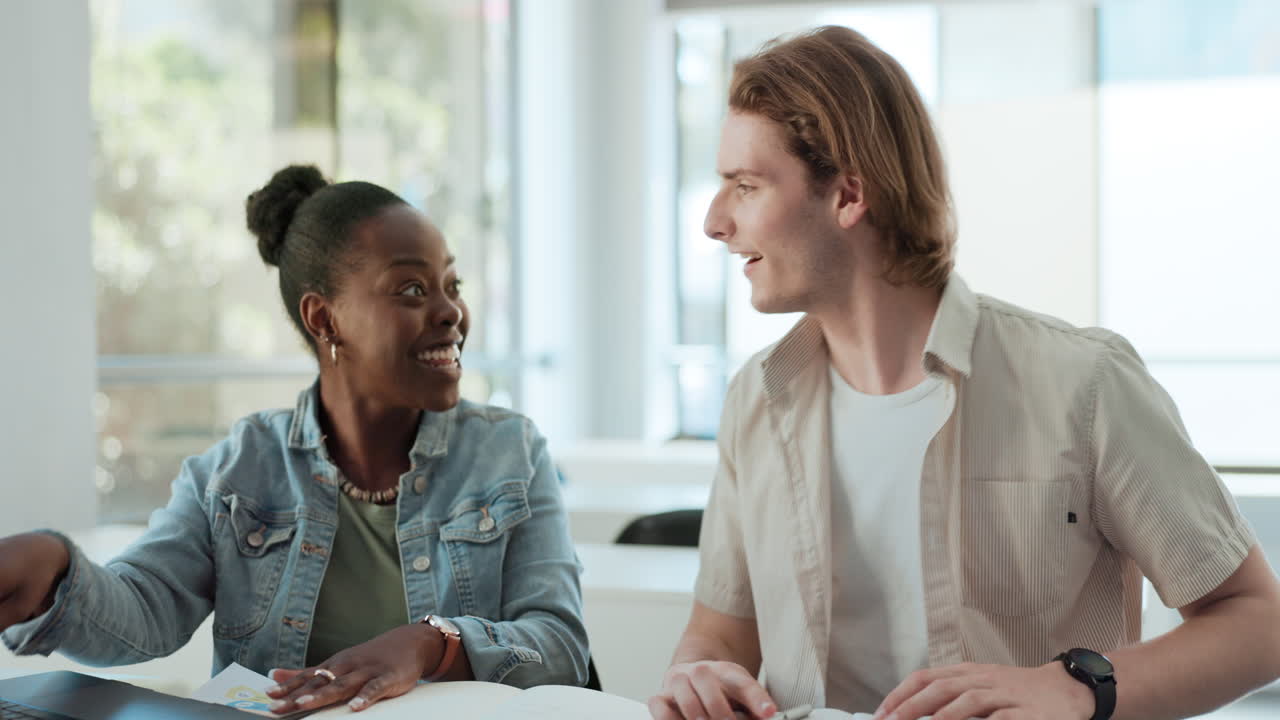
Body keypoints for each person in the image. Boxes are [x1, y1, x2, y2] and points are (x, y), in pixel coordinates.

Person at [648, 26, 1280, 720]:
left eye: (745, 186)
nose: (714, 222)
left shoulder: (1085, 384)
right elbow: (719, 633)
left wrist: (1075, 687)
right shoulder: (755, 402)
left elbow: (1258, 623)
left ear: (848, 196)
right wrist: (697, 674)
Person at [0, 165, 589, 713]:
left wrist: (431, 644)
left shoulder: (511, 452)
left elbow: (560, 646)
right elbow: (145, 612)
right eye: (412, 289)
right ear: (324, 320)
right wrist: (54, 575)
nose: (451, 312)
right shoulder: (238, 470)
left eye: (451, 284)